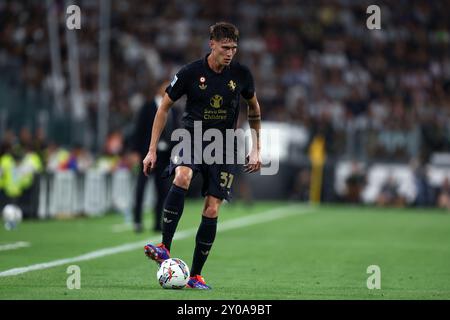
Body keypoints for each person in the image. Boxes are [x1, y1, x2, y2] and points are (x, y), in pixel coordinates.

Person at [142, 22, 262, 289]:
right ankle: (164, 246)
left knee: (212, 207)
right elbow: (163, 108)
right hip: (193, 138)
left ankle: (195, 275)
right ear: (212, 44)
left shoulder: (241, 74)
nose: (230, 53)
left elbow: (253, 107)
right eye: (225, 47)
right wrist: (151, 150)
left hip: (224, 146)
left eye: (234, 48)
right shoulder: (190, 73)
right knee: (182, 175)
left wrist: (256, 147)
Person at [131, 80, 177, 233]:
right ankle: (137, 220)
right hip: (148, 154)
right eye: (166, 86)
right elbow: (139, 130)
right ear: (158, 88)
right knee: (141, 188)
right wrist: (137, 152)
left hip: (165, 156)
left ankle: (158, 222)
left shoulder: (174, 109)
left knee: (162, 190)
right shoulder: (148, 106)